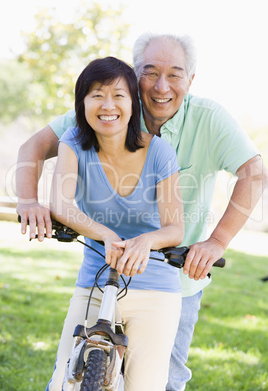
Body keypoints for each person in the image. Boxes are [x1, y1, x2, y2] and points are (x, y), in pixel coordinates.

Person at [16, 33, 267, 390]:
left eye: (175, 75)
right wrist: (28, 201)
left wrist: (217, 242)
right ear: (136, 77)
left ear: (190, 80)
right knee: (67, 376)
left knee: (164, 380)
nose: (162, 86)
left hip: (176, 275)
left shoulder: (206, 120)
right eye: (150, 73)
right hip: (101, 269)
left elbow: (254, 173)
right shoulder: (106, 107)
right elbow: (34, 147)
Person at [47, 56, 184, 390]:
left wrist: (144, 242)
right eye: (96, 94)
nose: (107, 105)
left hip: (155, 287)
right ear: (82, 103)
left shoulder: (159, 152)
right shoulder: (74, 141)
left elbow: (174, 229)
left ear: (133, 103)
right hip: (95, 278)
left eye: (118, 95)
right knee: (63, 383)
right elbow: (60, 204)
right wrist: (106, 235)